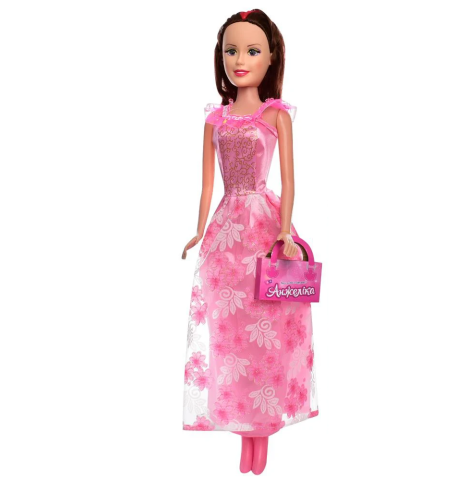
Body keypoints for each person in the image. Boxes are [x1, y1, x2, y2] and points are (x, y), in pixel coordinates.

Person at [181, 9, 319, 475]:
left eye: (252, 50)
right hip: (226, 235)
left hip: (264, 227)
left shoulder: (276, 115)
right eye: (232, 51)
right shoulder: (214, 119)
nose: (240, 60)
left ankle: (264, 432)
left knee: (269, 333)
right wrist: (199, 229)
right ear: (220, 56)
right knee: (231, 336)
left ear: (271, 56)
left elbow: (289, 180)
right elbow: (206, 185)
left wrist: (286, 228)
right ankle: (243, 433)